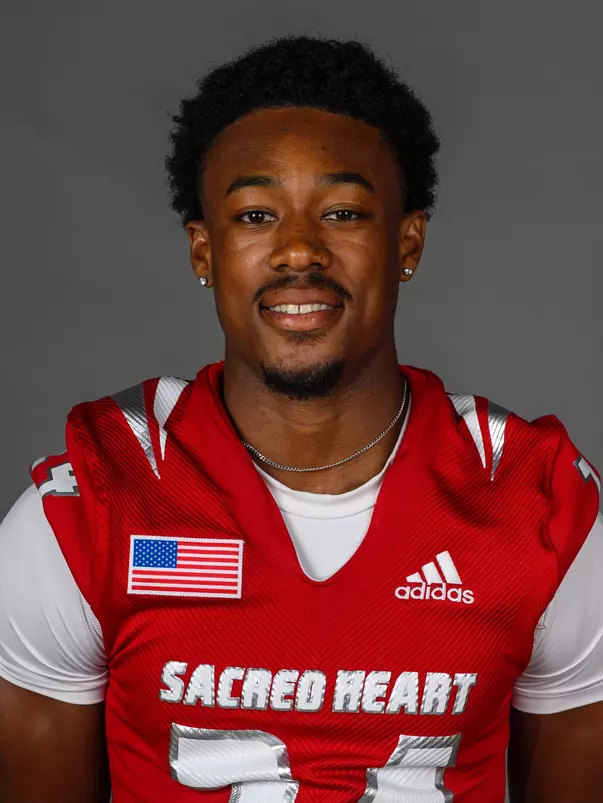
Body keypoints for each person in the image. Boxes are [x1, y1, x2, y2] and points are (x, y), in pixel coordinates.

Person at [0, 35, 601, 803]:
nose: (296, 251)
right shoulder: (87, 507)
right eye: (255, 214)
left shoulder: (533, 501)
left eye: (343, 211)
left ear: (405, 242)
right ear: (204, 252)